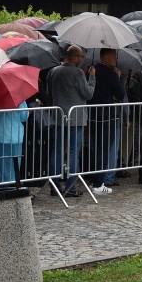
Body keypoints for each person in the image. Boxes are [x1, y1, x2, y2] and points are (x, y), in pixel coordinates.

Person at [46, 45, 96, 197]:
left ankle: (54, 187)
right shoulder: (78, 73)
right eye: (81, 57)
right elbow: (88, 94)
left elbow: (48, 91)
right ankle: (71, 187)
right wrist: (92, 78)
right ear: (74, 57)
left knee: (56, 151)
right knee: (74, 152)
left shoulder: (53, 71)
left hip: (58, 117)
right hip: (76, 119)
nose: (82, 60)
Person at [88, 48, 126, 193]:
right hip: (106, 116)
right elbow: (120, 94)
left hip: (93, 115)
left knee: (95, 149)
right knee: (103, 150)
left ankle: (94, 180)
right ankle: (98, 183)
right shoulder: (110, 73)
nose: (116, 58)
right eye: (114, 55)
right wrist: (119, 78)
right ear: (107, 56)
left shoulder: (92, 70)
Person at [0, 101, 29, 184]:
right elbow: (23, 116)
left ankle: (2, 186)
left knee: (0, 166)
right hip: (13, 135)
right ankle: (10, 188)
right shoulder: (18, 98)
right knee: (13, 166)